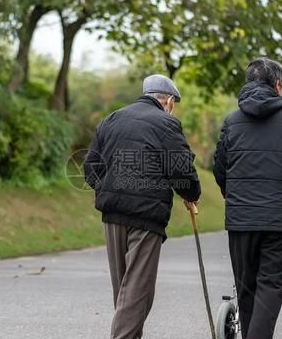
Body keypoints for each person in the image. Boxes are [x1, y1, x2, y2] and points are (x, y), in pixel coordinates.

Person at [83, 74, 201, 339]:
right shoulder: (167, 124)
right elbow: (180, 169)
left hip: (113, 216)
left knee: (124, 290)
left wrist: (107, 189)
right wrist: (191, 193)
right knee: (137, 290)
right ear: (168, 101)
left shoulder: (112, 119)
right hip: (146, 218)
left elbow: (91, 166)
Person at [213, 57, 282, 339]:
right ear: (278, 86)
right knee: (270, 289)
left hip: (241, 221)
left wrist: (235, 198)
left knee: (246, 289)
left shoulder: (232, 123)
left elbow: (220, 169)